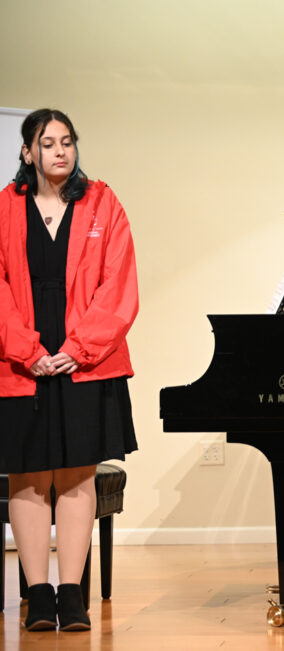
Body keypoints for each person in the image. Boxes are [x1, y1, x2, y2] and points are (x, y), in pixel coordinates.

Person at [0, 109, 139, 632]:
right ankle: (38, 594)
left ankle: (72, 593)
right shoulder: (4, 207)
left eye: (67, 141)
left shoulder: (104, 202)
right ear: (27, 152)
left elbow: (119, 285)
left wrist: (79, 348)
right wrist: (26, 349)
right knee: (29, 476)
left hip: (87, 360)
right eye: (48, 143)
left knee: (79, 473)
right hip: (21, 361)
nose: (60, 151)